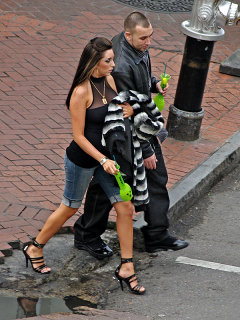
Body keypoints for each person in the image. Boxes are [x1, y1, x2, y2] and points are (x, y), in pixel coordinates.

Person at [23, 37, 146, 295]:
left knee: (125, 207)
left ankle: (127, 266)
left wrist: (129, 111)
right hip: (83, 159)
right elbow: (79, 136)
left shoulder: (110, 81)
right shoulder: (81, 92)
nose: (113, 64)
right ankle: (35, 246)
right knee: (70, 207)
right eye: (107, 60)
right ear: (94, 63)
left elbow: (116, 112)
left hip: (107, 161)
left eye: (113, 59)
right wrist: (102, 159)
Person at [73, 12, 188, 259]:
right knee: (109, 185)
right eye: (144, 38)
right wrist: (146, 150)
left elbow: (140, 85)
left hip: (138, 128)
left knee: (145, 180)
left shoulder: (135, 46)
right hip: (129, 134)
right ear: (128, 35)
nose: (148, 42)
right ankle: (87, 234)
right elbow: (125, 109)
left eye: (150, 36)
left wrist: (154, 83)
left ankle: (155, 235)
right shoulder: (122, 65)